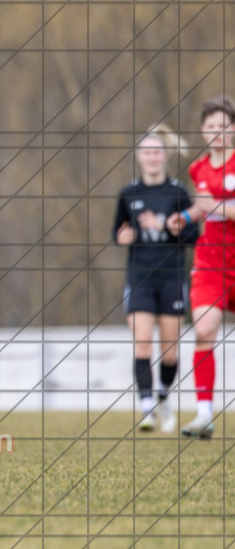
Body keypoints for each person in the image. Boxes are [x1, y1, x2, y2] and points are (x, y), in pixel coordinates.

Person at [113, 129, 197, 433]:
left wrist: (167, 225)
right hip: (140, 278)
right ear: (139, 157)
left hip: (172, 278)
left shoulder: (178, 193)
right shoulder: (128, 193)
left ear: (165, 155)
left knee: (170, 350)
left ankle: (162, 394)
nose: (151, 157)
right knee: (142, 343)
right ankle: (146, 405)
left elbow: (194, 236)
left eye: (156, 152)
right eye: (146, 152)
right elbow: (117, 232)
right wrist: (124, 237)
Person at [167, 97, 235, 439]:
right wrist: (187, 216)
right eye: (210, 127)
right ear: (203, 132)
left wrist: (218, 205)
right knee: (205, 330)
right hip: (210, 265)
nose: (217, 132)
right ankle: (204, 415)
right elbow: (203, 208)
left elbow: (218, 206)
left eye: (223, 125)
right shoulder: (198, 169)